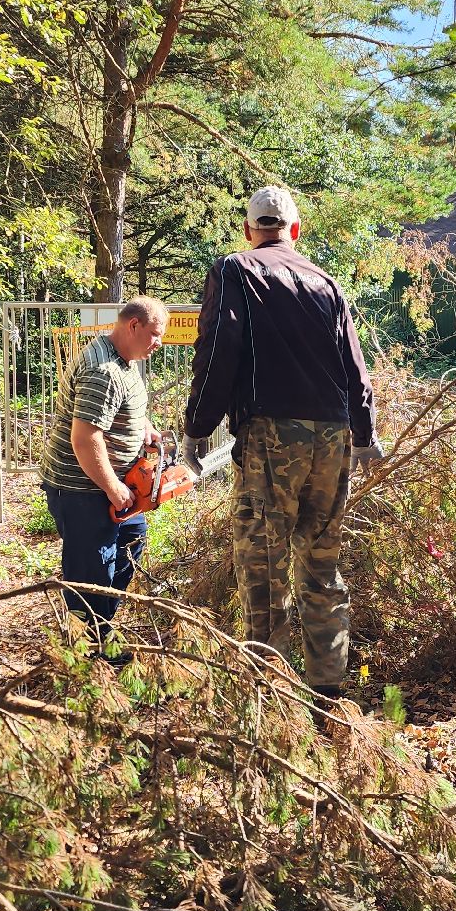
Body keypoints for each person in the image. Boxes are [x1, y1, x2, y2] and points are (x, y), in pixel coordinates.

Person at [182, 185, 383, 699]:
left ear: (250, 230)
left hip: (271, 436)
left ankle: (271, 699)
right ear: (295, 230)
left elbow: (217, 351)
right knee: (322, 564)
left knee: (264, 570)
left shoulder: (235, 270)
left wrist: (197, 426)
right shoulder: (328, 284)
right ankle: (328, 699)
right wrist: (365, 433)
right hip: (333, 437)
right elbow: (354, 369)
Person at [39, 296, 170, 659]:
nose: (158, 343)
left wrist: (143, 427)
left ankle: (101, 630)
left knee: (131, 541)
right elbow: (85, 439)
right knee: (92, 569)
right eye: (155, 335)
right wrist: (112, 487)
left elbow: (120, 407)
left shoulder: (124, 359)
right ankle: (87, 651)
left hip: (113, 487)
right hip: (83, 489)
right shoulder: (104, 371)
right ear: (133, 326)